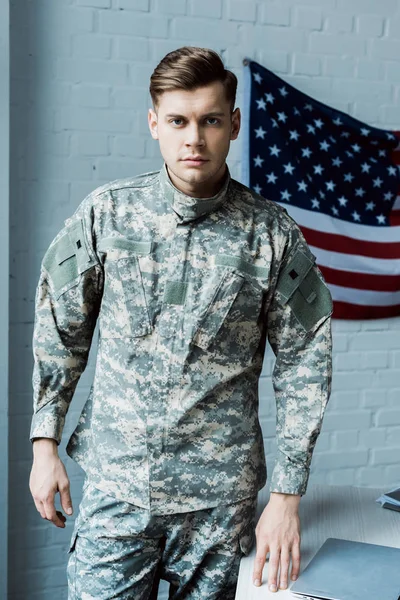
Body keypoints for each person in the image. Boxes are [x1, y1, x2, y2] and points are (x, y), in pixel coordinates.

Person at [29, 46, 333, 599]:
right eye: (178, 121)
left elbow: (306, 364)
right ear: (154, 124)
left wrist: (287, 499)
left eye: (211, 120)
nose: (194, 138)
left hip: (220, 504)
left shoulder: (271, 235)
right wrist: (43, 444)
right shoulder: (107, 216)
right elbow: (60, 331)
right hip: (118, 491)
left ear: (234, 124)